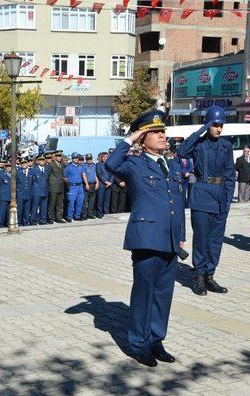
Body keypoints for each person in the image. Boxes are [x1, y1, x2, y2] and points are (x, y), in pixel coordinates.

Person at [105, 110, 186, 367]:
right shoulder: (134, 164)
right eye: (156, 132)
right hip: (146, 238)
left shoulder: (171, 164)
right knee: (144, 293)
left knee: (163, 294)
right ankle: (139, 344)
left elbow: (178, 201)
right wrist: (132, 138)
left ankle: (155, 340)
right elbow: (111, 165)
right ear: (143, 137)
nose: (163, 136)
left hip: (170, 238)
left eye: (164, 132)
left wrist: (181, 235)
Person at [177, 105, 234, 296]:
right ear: (209, 124)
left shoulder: (226, 146)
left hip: (219, 194)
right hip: (201, 193)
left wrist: (227, 202)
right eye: (215, 124)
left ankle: (210, 275)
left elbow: (230, 175)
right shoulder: (199, 144)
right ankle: (199, 277)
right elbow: (182, 151)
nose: (219, 128)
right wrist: (201, 129)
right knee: (201, 239)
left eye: (221, 125)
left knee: (216, 240)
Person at [64, 153, 85, 222]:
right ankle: (69, 217)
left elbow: (83, 175)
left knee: (80, 202)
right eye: (74, 158)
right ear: (72, 159)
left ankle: (77, 216)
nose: (76, 159)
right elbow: (64, 177)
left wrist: (86, 183)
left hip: (80, 186)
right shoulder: (68, 167)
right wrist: (68, 184)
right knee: (71, 202)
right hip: (72, 186)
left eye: (77, 158)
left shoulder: (80, 166)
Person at [47, 150, 66, 224]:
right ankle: (51, 218)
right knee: (52, 204)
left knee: (60, 204)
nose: (59, 158)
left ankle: (59, 217)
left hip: (61, 187)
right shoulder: (51, 165)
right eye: (58, 156)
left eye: (60, 156)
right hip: (53, 187)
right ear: (55, 157)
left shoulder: (62, 164)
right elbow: (47, 176)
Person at [29, 155, 49, 225]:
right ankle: (33, 220)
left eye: (43, 160)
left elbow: (48, 179)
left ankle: (43, 220)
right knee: (35, 207)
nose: (42, 161)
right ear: (38, 161)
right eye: (40, 160)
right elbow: (30, 181)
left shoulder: (47, 168)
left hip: (45, 190)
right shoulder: (34, 169)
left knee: (44, 207)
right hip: (36, 191)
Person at [81, 154, 99, 220]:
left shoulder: (94, 166)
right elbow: (84, 175)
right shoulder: (84, 166)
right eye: (88, 159)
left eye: (90, 159)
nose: (89, 160)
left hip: (93, 184)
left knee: (92, 200)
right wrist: (86, 184)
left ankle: (90, 214)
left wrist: (97, 183)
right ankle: (84, 215)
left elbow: (95, 174)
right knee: (85, 201)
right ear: (86, 159)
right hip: (87, 184)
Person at [95, 152, 112, 218]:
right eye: (104, 157)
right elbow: (99, 175)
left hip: (109, 185)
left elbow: (112, 173)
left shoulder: (110, 165)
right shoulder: (98, 165)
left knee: (107, 200)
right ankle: (99, 213)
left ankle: (106, 213)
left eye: (106, 157)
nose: (105, 158)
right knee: (100, 200)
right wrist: (106, 182)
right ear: (101, 158)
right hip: (102, 185)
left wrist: (110, 182)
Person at [17, 158, 33, 226]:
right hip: (20, 193)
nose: (23, 164)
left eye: (25, 163)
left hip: (29, 193)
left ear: (27, 164)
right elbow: (16, 183)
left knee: (27, 209)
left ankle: (26, 222)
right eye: (22, 163)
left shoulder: (31, 171)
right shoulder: (18, 172)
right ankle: (19, 222)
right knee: (20, 209)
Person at [0, 161, 12, 227]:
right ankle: (0, 224)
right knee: (2, 212)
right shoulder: (1, 174)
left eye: (10, 166)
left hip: (10, 196)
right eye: (7, 166)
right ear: (5, 167)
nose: (9, 168)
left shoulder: (13, 174)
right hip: (3, 196)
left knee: (9, 212)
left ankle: (8, 223)